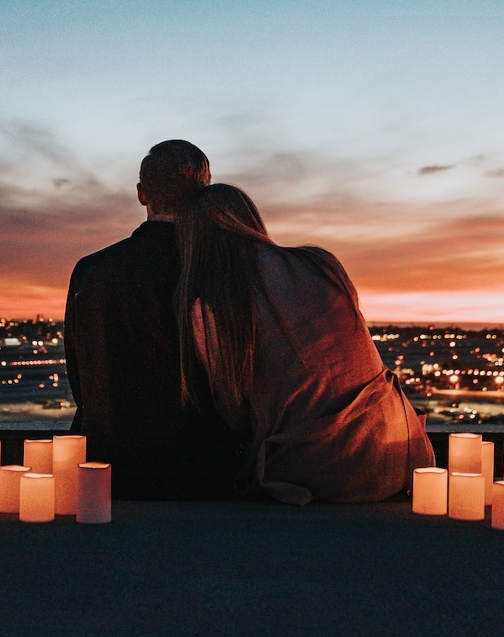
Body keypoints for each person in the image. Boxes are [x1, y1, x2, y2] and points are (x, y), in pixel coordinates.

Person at [175, 183, 434, 505]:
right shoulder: (320, 263)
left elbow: (233, 412)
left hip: (316, 472)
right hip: (402, 453)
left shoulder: (213, 306)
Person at [64, 140, 239, 498]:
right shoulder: (222, 271)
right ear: (204, 193)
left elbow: (82, 381)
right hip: (201, 471)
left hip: (108, 466)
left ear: (142, 194)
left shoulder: (91, 271)